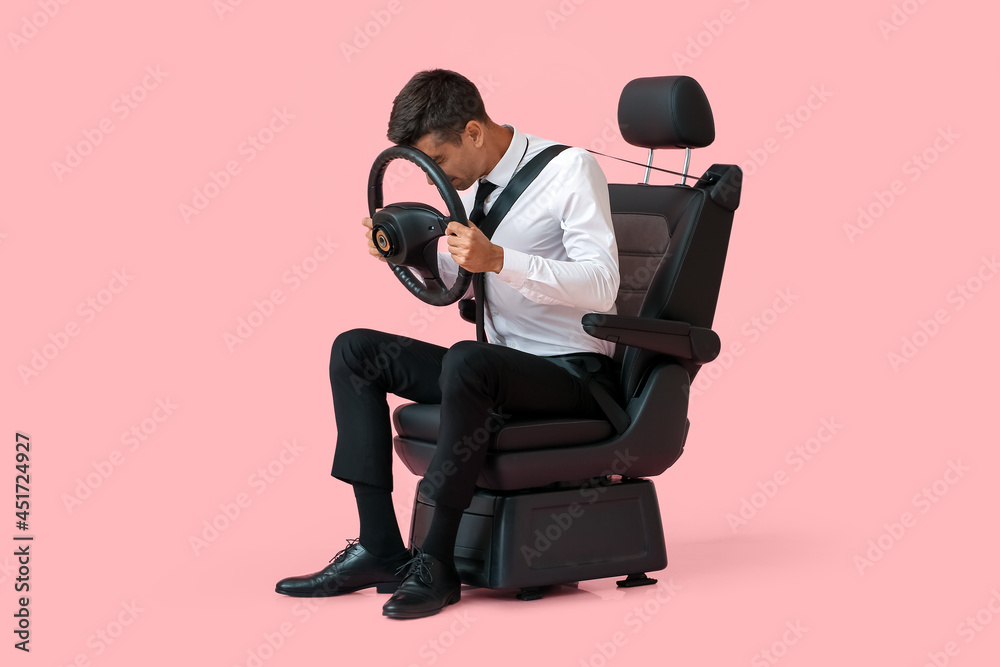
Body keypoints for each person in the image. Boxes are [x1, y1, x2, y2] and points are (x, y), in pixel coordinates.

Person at [275, 69, 621, 619]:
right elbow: (455, 274)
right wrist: (405, 249)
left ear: (474, 133)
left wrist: (501, 260)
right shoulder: (474, 184)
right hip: (494, 370)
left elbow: (602, 284)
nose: (436, 175)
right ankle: (380, 548)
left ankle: (436, 562)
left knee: (467, 359)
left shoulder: (570, 170)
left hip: (570, 374)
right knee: (354, 350)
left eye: (439, 159)